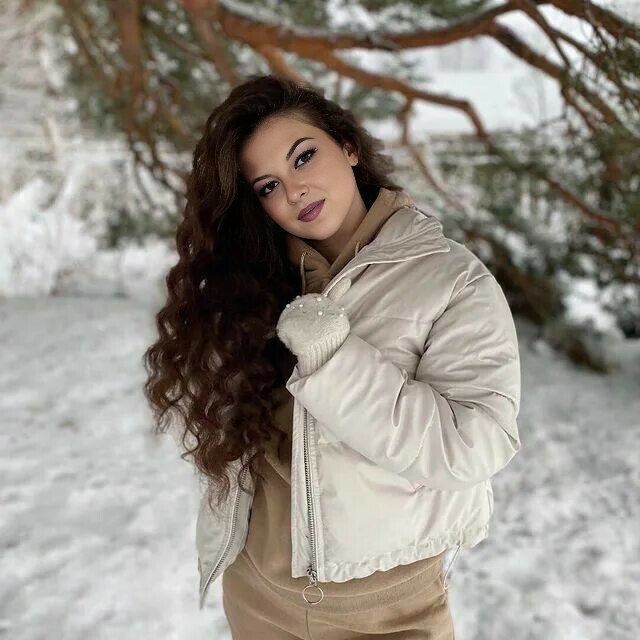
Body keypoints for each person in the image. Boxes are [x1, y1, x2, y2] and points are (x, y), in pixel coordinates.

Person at [143, 73, 522, 639]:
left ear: (348, 148)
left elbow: (475, 446)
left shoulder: (452, 280)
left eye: (303, 157)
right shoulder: (250, 284)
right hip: (258, 595)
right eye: (268, 186)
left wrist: (335, 359)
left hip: (389, 613)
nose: (294, 191)